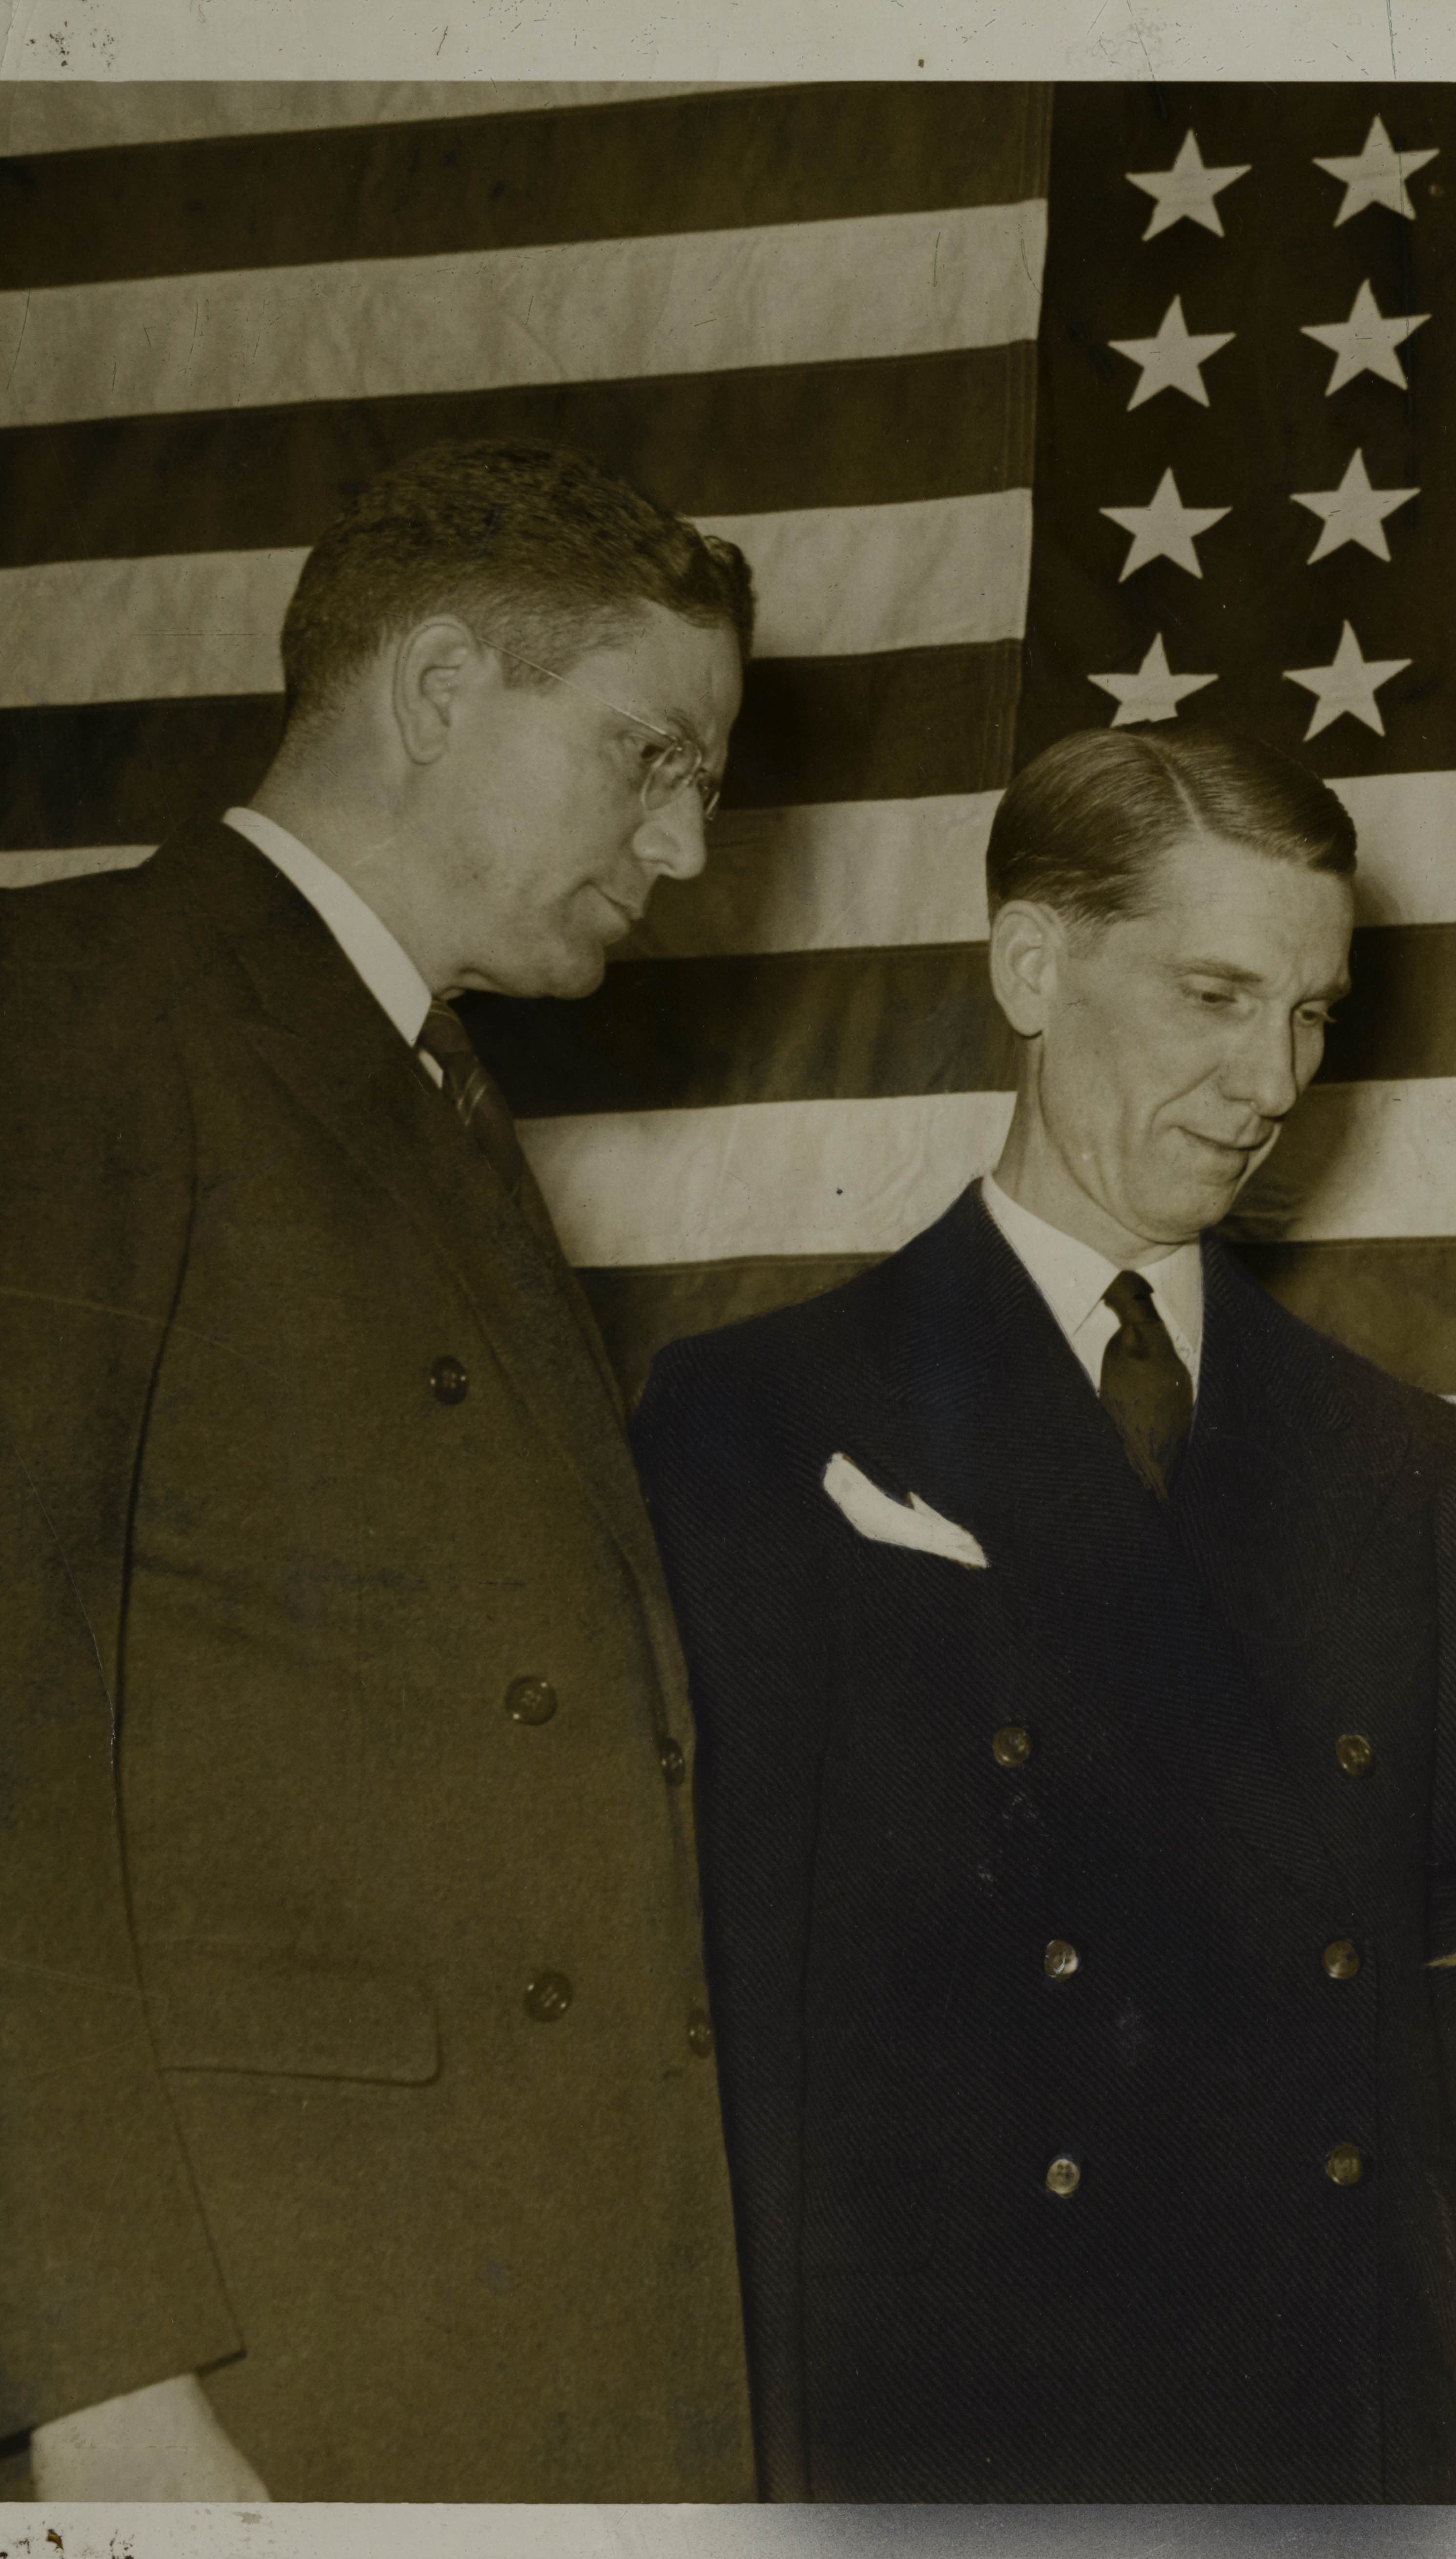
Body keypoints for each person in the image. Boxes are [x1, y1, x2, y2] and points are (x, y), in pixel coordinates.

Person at [629, 723, 1456, 2502]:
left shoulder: (1408, 1463)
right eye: (1216, 994)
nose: (1271, 1077)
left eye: (1313, 1012)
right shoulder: (755, 1419)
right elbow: (712, 2000)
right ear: (1030, 963)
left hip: (1344, 2420)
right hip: (956, 2418)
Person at [0, 440, 758, 2498]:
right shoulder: (74, 1019)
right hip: (264, 2346)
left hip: (525, 2318)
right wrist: (98, 2373)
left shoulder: (433, 1087)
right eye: (647, 757)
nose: (686, 846)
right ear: (437, 696)